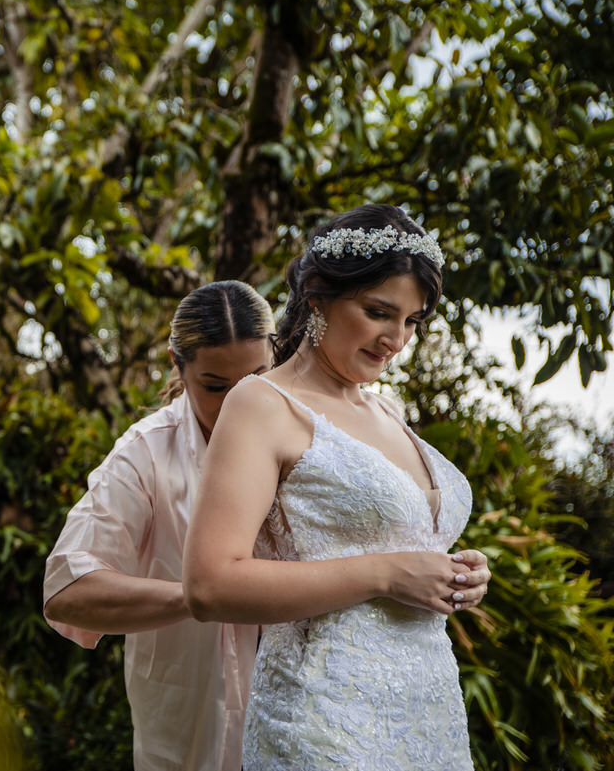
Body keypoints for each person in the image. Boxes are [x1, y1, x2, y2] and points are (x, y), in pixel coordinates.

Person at [43, 278, 488, 771]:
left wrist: (448, 572)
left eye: (255, 376)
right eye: (217, 387)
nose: (239, 398)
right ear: (178, 366)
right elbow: (68, 592)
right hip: (194, 738)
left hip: (332, 721)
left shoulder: (326, 434)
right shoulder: (145, 453)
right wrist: (202, 593)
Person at [182, 204, 487, 769]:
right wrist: (387, 574)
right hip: (323, 723)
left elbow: (404, 545)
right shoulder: (262, 404)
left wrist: (457, 576)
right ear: (318, 297)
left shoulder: (387, 410)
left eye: (413, 321)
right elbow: (209, 584)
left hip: (427, 714)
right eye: (378, 312)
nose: (396, 338)